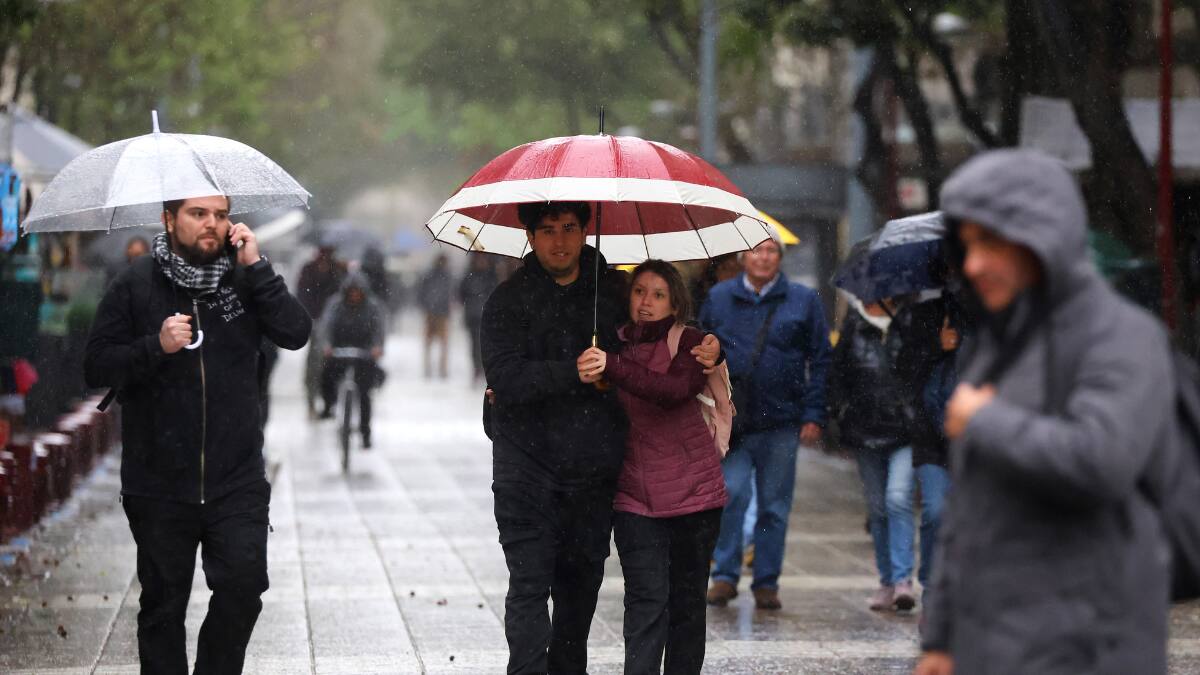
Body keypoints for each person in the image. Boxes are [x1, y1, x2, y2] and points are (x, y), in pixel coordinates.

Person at [915, 150, 1174, 675]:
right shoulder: (999, 343)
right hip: (994, 640)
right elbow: (969, 509)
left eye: (991, 242)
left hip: (1089, 643)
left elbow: (1103, 460)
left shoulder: (1123, 336)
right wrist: (940, 636)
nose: (973, 264)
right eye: (967, 245)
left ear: (1042, 237)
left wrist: (987, 422)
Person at [481, 201, 719, 674]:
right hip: (524, 468)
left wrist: (711, 344)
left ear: (586, 231)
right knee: (528, 587)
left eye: (569, 228)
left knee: (578, 592)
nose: (560, 241)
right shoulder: (507, 300)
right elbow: (507, 378)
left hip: (593, 472)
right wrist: (572, 373)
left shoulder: (613, 292)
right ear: (530, 237)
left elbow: (663, 331)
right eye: (547, 231)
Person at [84, 195, 311, 674]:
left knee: (243, 589)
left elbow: (295, 332)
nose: (212, 224)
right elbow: (96, 364)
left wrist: (257, 266)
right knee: (163, 609)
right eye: (198, 214)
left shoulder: (245, 279)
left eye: (221, 215)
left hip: (237, 478)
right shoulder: (136, 284)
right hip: (159, 481)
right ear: (169, 220)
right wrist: (155, 346)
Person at [577, 260, 727, 675]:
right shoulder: (610, 343)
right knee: (645, 602)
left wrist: (613, 366)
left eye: (658, 295)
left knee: (686, 607)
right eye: (639, 291)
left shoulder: (692, 343)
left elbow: (672, 390)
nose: (646, 302)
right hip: (634, 498)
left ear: (675, 304)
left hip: (694, 497)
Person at [700, 236, 831, 611]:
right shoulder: (720, 297)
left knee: (774, 505)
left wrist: (813, 413)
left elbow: (820, 360)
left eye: (771, 250)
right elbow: (700, 350)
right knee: (729, 496)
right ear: (743, 256)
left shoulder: (802, 300)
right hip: (735, 422)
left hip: (781, 421)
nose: (763, 257)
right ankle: (724, 576)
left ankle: (766, 581)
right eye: (756, 250)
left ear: (780, 258)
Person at [828, 294, 914, 612]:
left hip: (905, 428)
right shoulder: (855, 322)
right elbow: (838, 372)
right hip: (864, 429)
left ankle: (904, 578)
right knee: (877, 509)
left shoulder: (911, 319)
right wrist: (841, 411)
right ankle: (887, 580)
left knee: (898, 498)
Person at [317, 272, 386, 448]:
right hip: (339, 350)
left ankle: (365, 432)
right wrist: (327, 345)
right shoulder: (335, 305)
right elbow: (326, 326)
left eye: (358, 292)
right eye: (351, 292)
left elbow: (379, 329)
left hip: (363, 352)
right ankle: (328, 405)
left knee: (364, 393)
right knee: (326, 376)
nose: (354, 296)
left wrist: (377, 347)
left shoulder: (372, 307)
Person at [297, 244, 346, 415]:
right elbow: (302, 293)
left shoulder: (337, 271)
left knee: (328, 364)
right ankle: (312, 401)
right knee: (314, 364)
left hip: (332, 323)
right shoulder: (309, 269)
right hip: (314, 320)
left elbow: (342, 294)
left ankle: (328, 402)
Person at [458, 254, 500, 382]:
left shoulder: (492, 277)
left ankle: (484, 368)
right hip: (473, 317)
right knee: (475, 345)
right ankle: (477, 369)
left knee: (486, 345)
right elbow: (461, 294)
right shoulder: (469, 276)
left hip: (487, 318)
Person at [419, 253, 453, 379]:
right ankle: (439, 368)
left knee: (432, 343)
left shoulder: (433, 275)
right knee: (439, 343)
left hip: (434, 312)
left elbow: (422, 292)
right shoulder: (445, 275)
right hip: (437, 312)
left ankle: (433, 368)